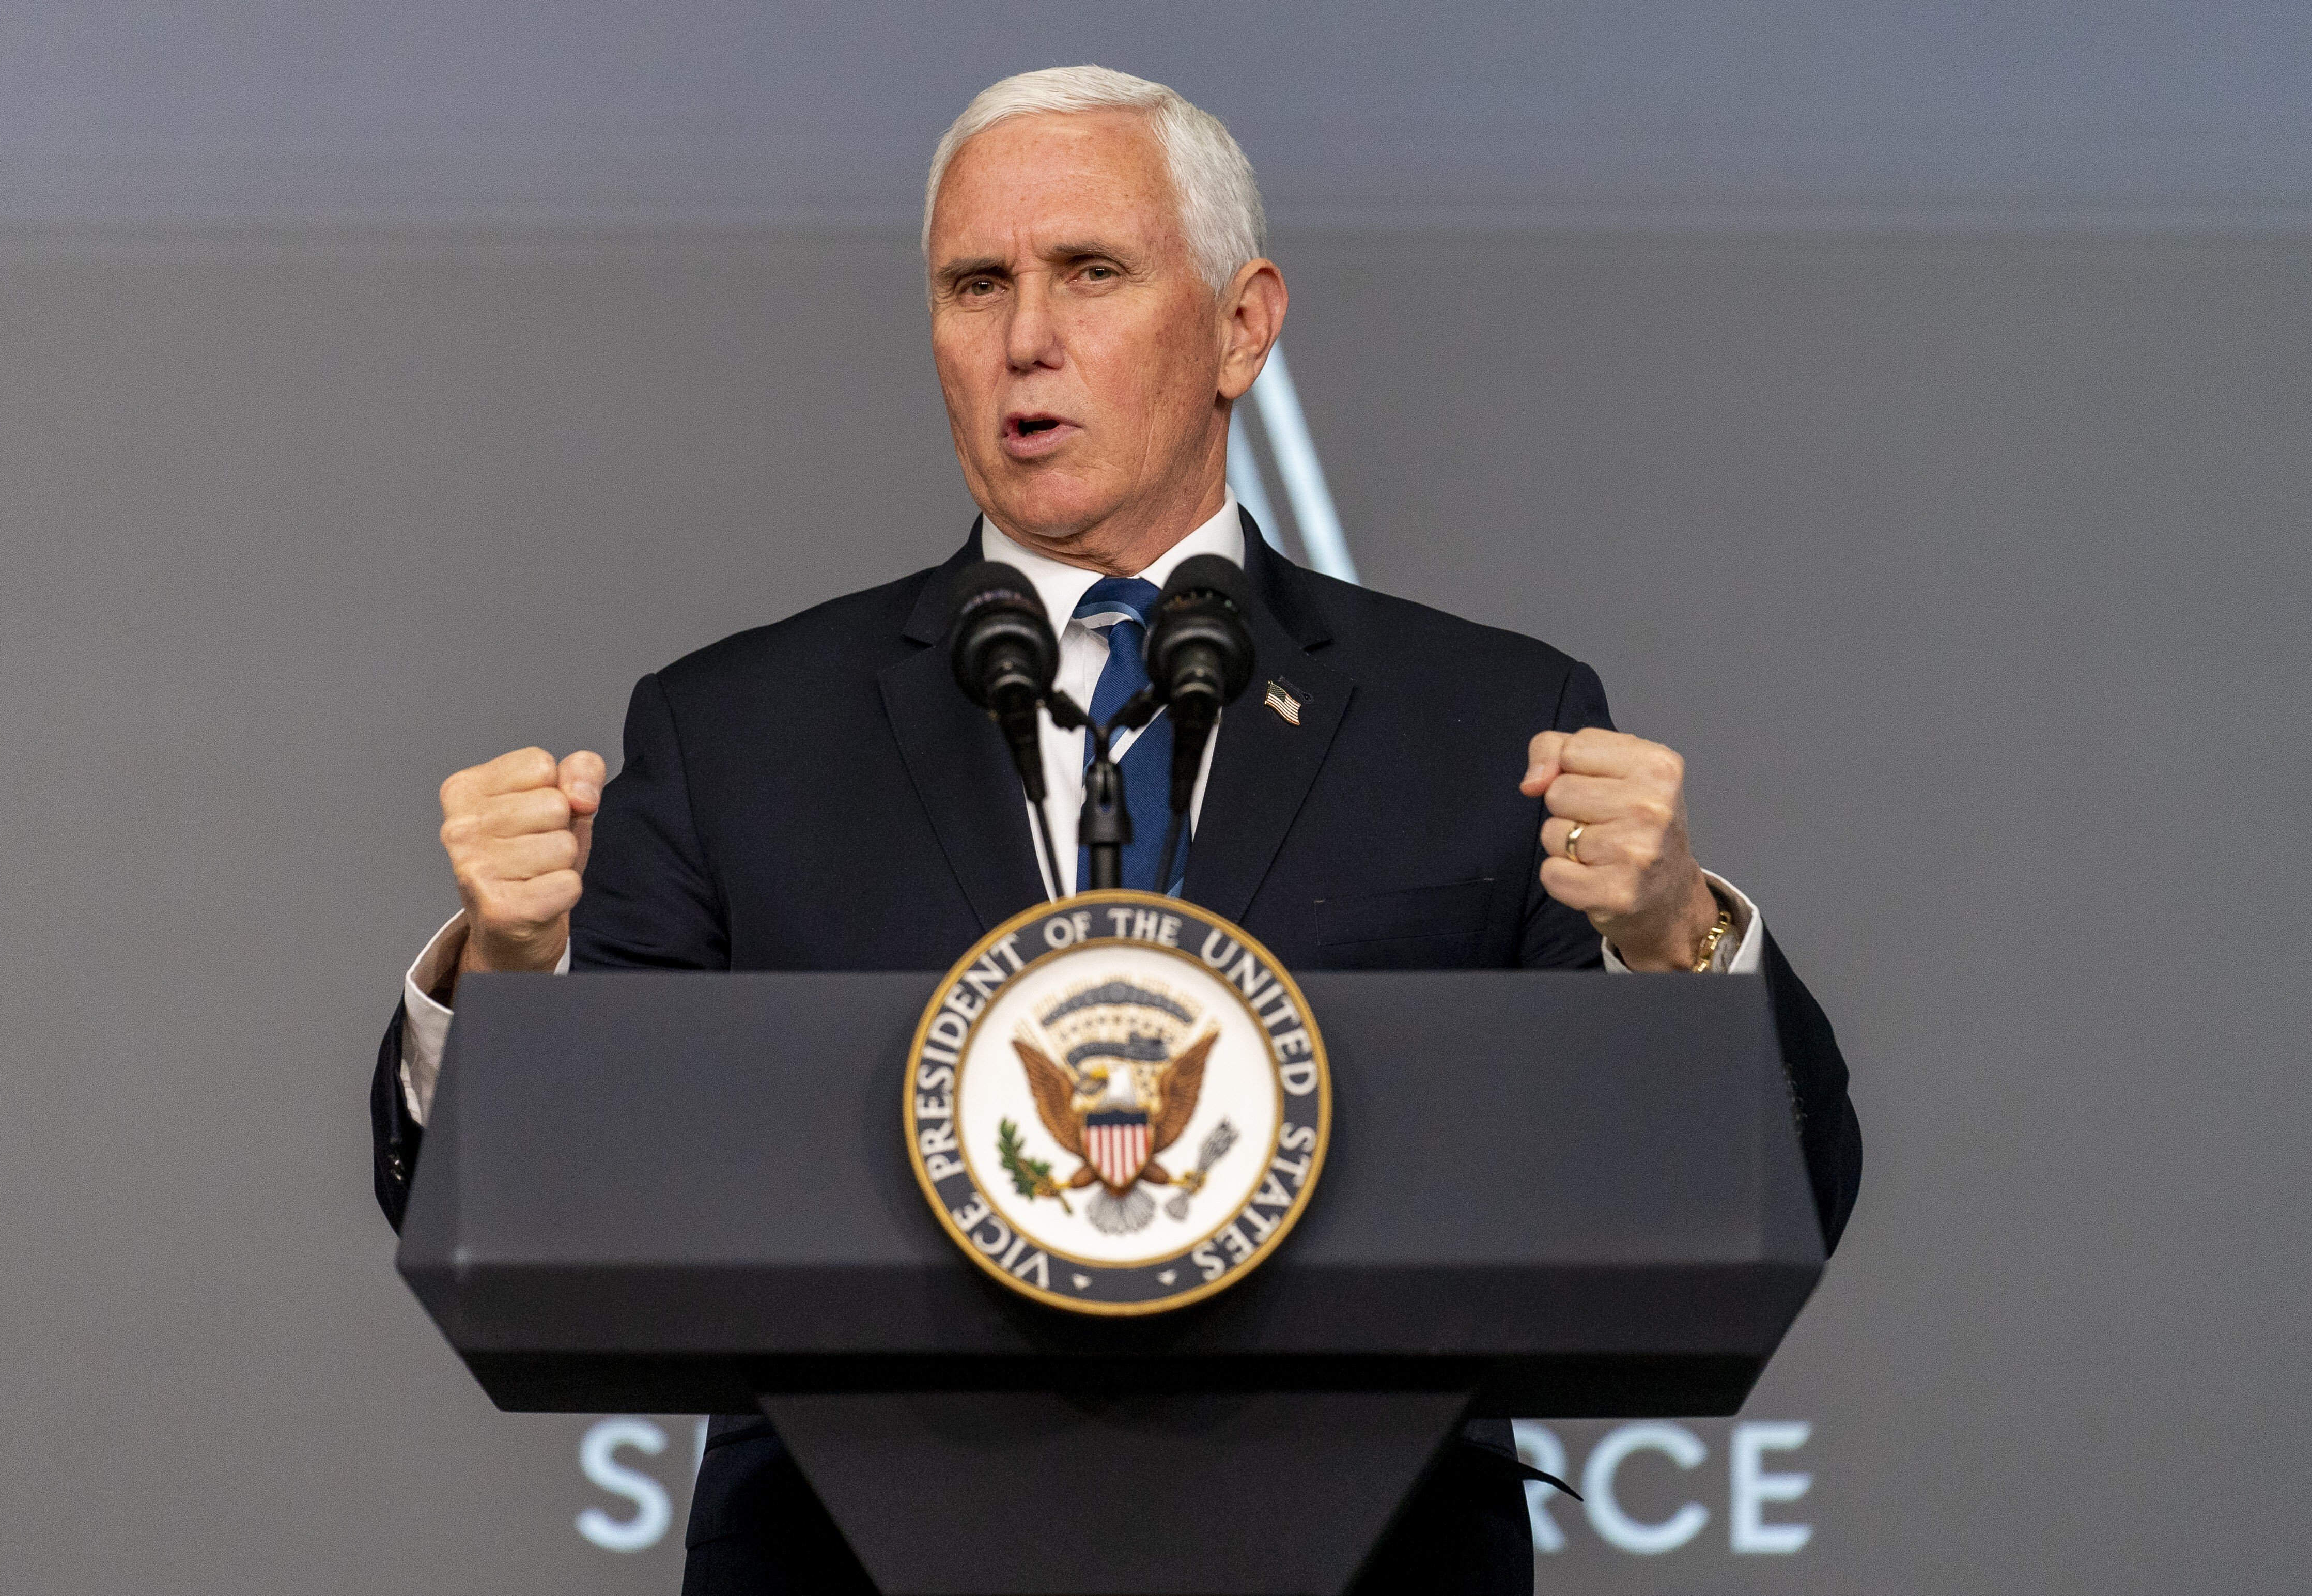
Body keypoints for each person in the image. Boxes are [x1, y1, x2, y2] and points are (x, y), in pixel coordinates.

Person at [369, 65, 1860, 1595]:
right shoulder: (736, 730)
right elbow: (540, 1208)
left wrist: (1676, 942)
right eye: (974, 283)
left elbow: (1752, 1189)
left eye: (1090, 271)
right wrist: (509, 973)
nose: (1025, 335)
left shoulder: (1487, 718)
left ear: (1240, 325)